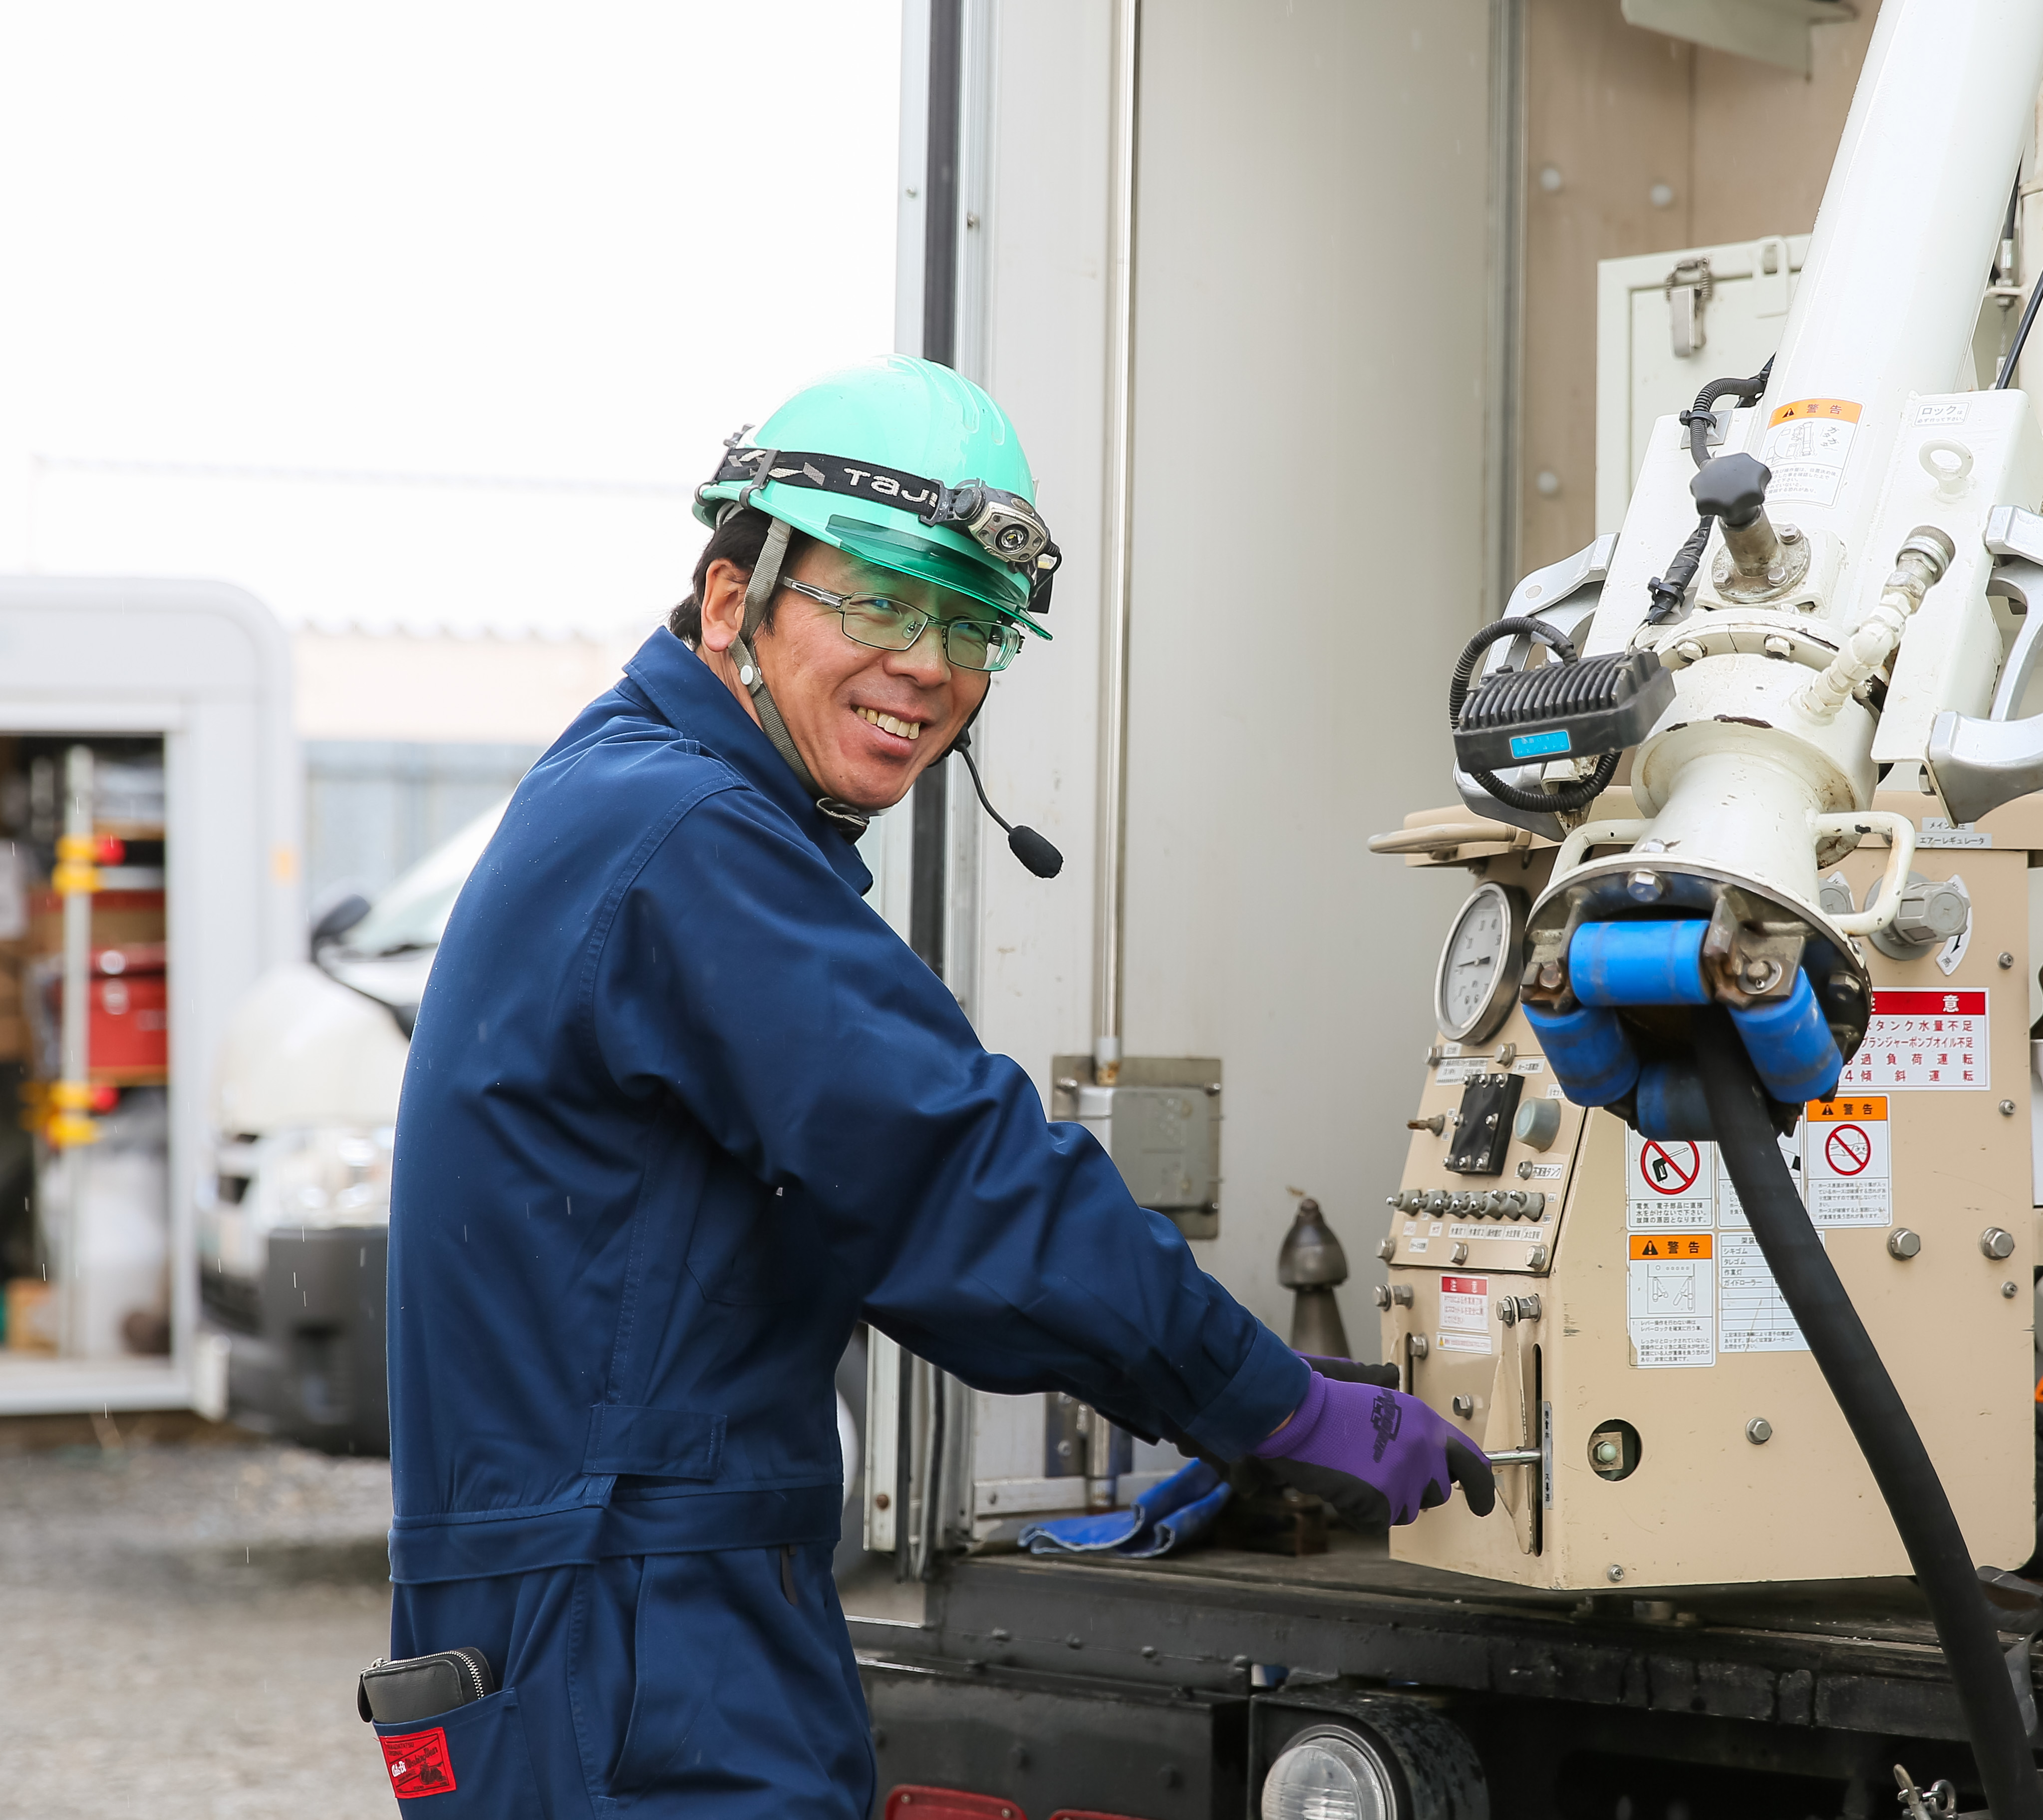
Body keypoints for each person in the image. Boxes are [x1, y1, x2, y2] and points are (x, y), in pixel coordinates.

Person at [377, 354, 1492, 1817]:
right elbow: (955, 1181)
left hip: (620, 1602)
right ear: (733, 600)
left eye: (972, 625)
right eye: (880, 601)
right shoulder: (687, 837)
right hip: (635, 1630)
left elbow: (901, 1219)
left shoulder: (625, 795)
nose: (930, 664)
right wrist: (1274, 1407)